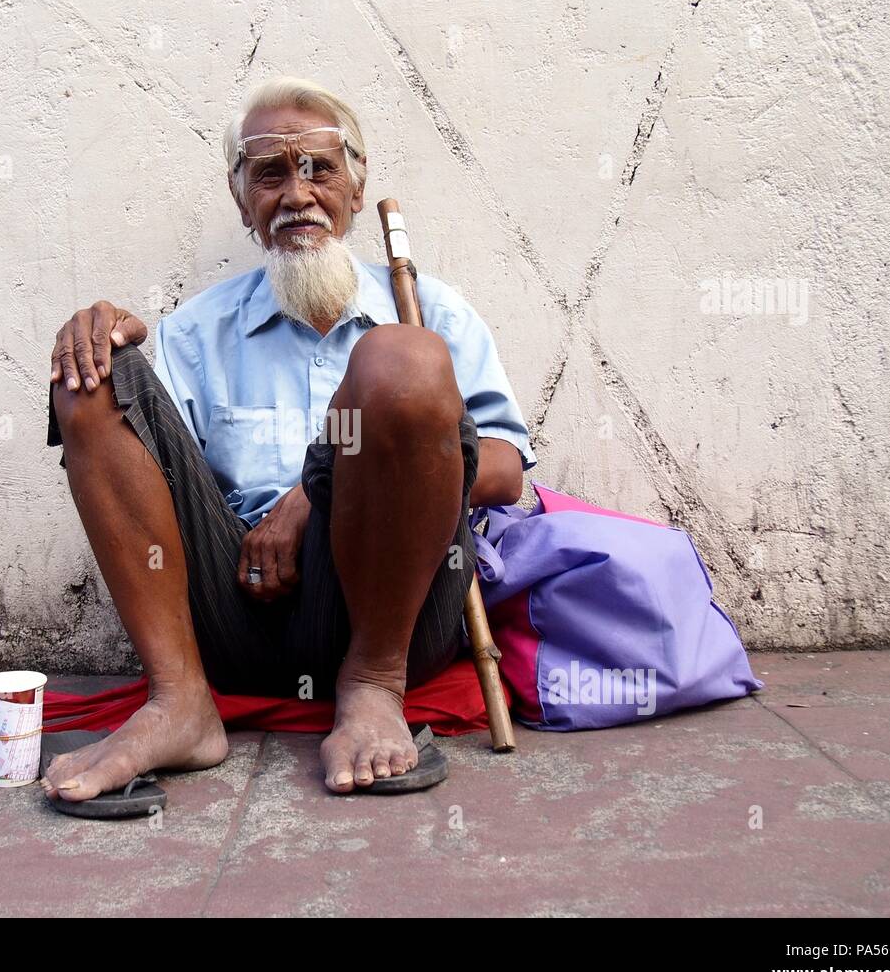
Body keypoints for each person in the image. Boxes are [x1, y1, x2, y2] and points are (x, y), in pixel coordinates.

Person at [40, 76, 536, 798]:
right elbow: (143, 466)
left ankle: (370, 689)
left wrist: (314, 490)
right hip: (235, 614)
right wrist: (101, 344)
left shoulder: (431, 312)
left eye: (320, 168)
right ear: (244, 201)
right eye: (270, 172)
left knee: (401, 361)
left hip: (394, 624)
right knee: (91, 370)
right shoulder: (197, 331)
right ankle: (180, 702)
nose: (296, 192)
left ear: (356, 190)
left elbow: (505, 468)